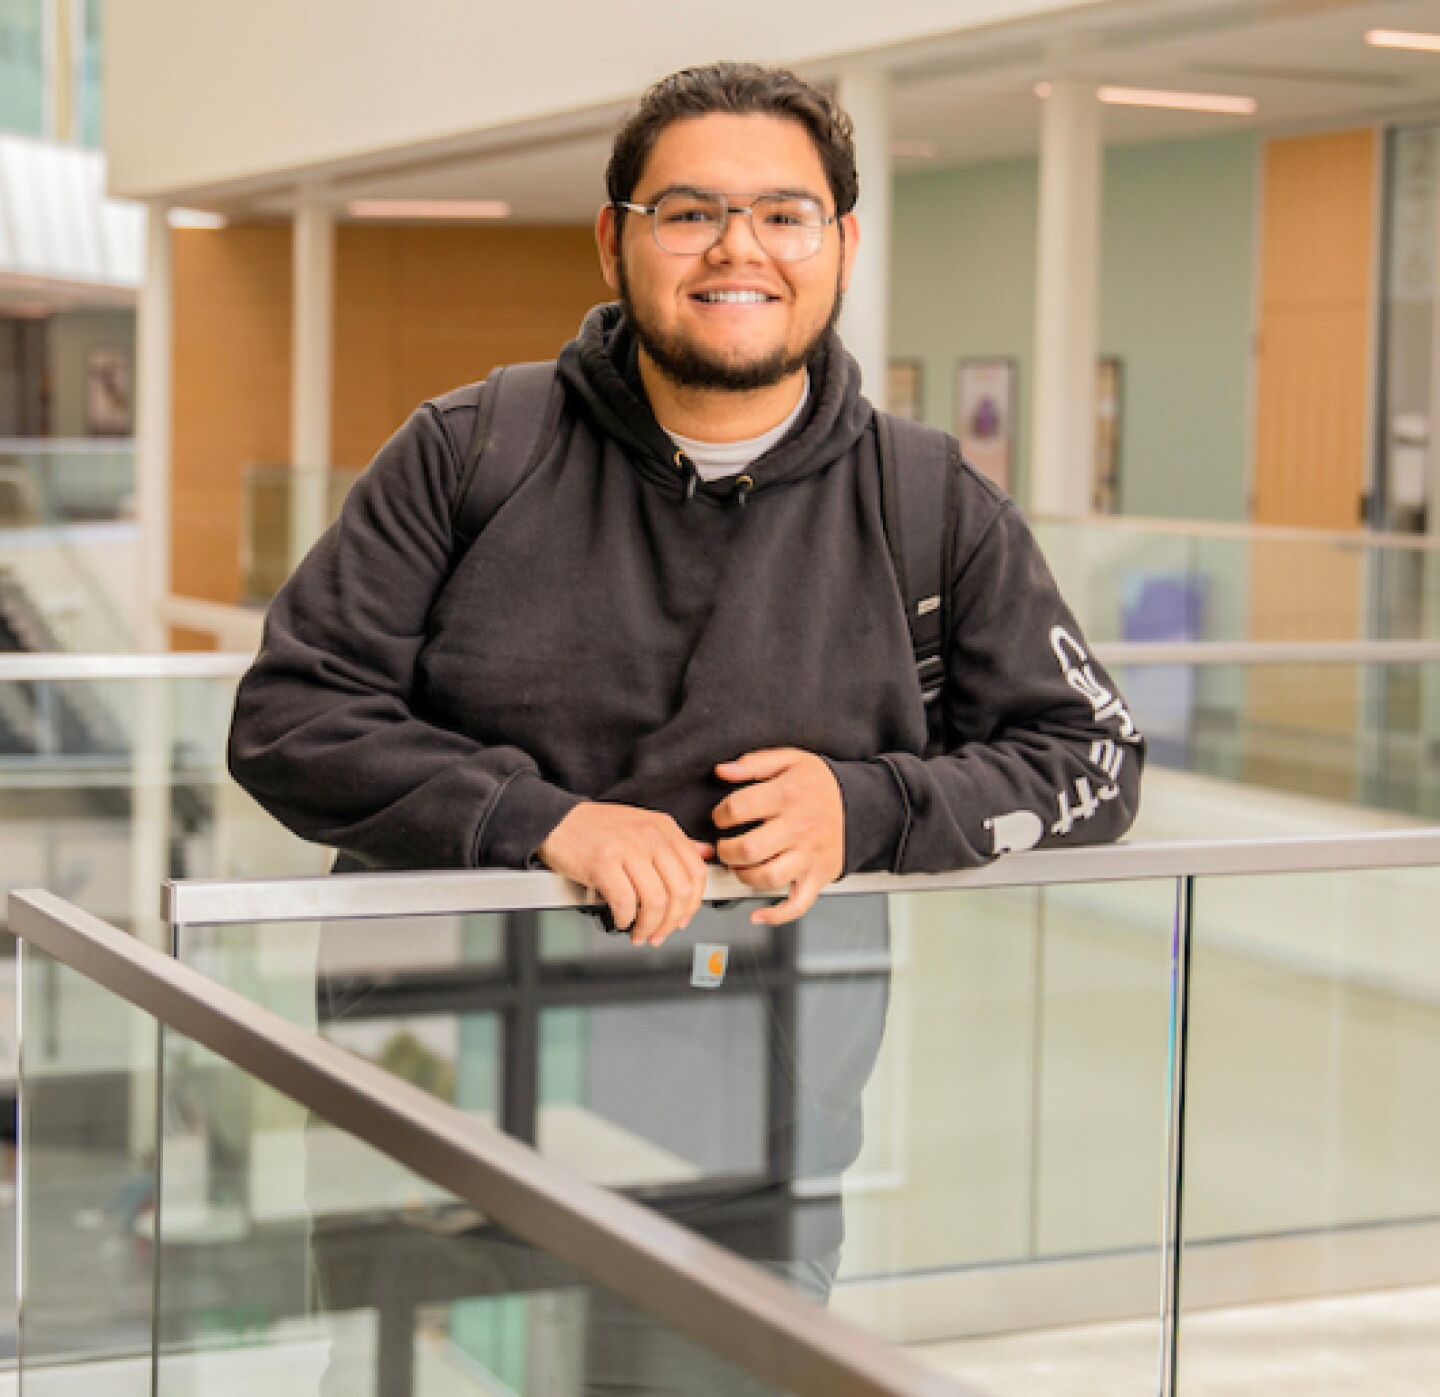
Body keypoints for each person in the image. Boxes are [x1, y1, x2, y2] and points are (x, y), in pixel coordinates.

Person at [228, 61, 1143, 938]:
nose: (736, 247)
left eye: (785, 214)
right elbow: (291, 721)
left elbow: (1093, 759)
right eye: (688, 212)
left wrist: (869, 806)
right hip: (451, 1037)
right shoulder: (470, 449)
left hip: (783, 1054)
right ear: (610, 243)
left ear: (844, 247)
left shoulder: (931, 502)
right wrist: (540, 822)